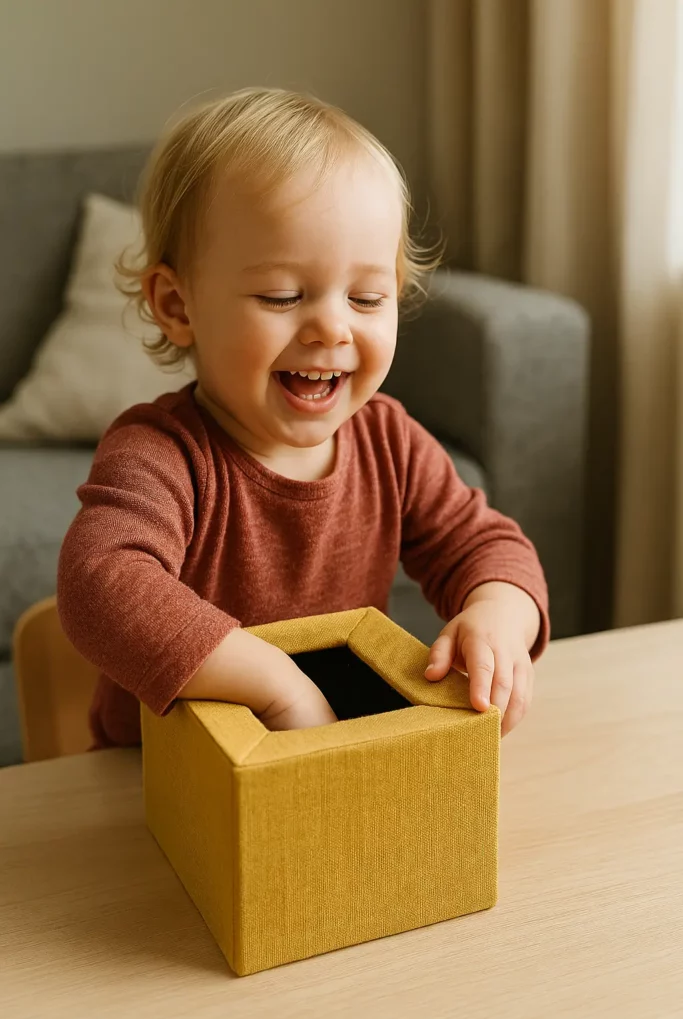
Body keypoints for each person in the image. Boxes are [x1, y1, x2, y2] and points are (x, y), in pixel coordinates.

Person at [56, 87, 549, 750]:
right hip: (160, 781)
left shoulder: (388, 439)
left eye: (367, 297)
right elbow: (98, 585)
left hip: (322, 763)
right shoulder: (161, 453)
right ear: (177, 305)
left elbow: (489, 545)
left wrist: (498, 615)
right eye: (283, 295)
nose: (331, 328)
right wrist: (276, 684)